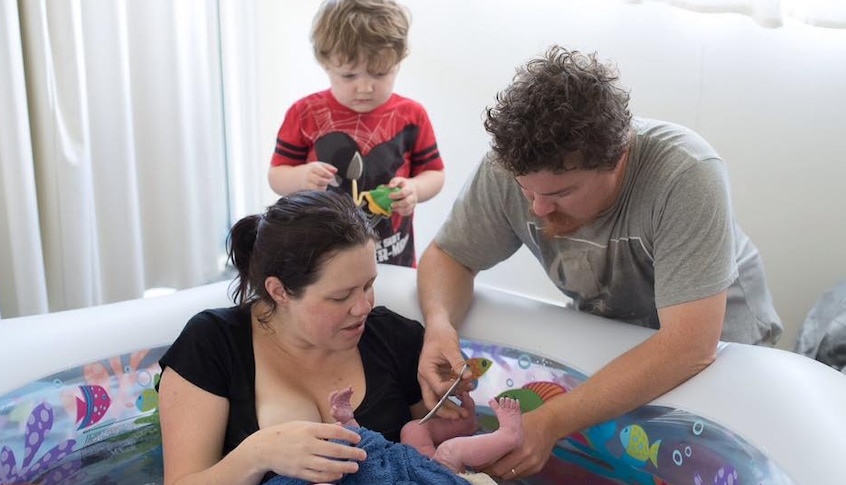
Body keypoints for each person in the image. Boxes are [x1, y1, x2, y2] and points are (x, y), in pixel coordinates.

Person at [415, 45, 783, 480]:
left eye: (560, 194)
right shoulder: (511, 167)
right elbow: (450, 256)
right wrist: (440, 324)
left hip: (721, 345)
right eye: (527, 191)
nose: (537, 209)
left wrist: (550, 421)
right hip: (612, 333)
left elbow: (690, 347)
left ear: (619, 156)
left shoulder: (685, 173)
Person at [158, 191, 430, 484]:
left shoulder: (395, 337)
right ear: (279, 291)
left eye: (368, 285)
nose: (364, 306)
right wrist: (258, 454)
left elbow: (440, 456)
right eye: (340, 297)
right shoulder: (212, 344)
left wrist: (457, 415)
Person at [268, 0, 445, 268]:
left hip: (392, 256)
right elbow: (277, 176)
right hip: (321, 259)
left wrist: (414, 190)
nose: (364, 87)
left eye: (379, 74)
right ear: (325, 63)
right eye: (349, 76)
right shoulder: (303, 113)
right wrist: (302, 177)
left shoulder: (412, 115)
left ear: (398, 62)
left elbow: (435, 174)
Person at [265, 387, 522, 485]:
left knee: (412, 430)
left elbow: (360, 455)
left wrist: (347, 421)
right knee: (449, 453)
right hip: (435, 477)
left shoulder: (319, 472)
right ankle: (508, 436)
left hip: (409, 464)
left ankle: (464, 426)